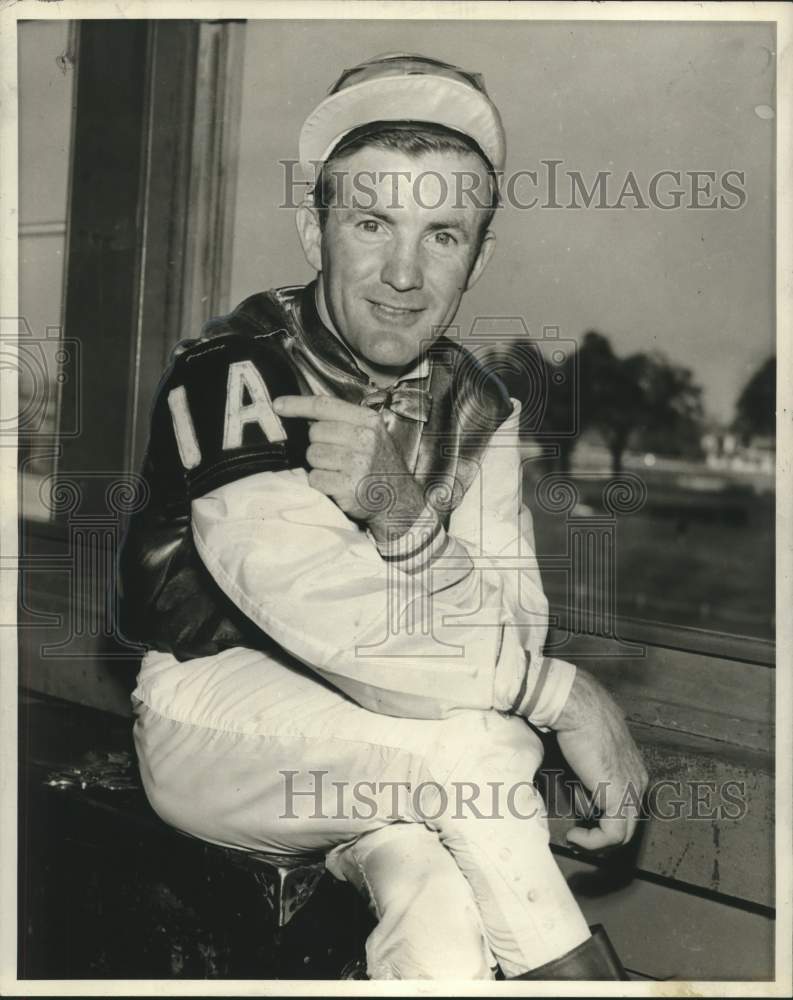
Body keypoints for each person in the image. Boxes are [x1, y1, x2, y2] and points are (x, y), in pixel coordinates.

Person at [119, 52, 647, 981]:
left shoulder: (477, 405)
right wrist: (562, 695)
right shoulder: (240, 369)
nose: (403, 274)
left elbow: (510, 625)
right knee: (483, 741)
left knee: (444, 922)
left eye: (443, 234)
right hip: (216, 717)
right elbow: (319, 607)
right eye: (372, 222)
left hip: (387, 751)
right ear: (315, 231)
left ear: (478, 257)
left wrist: (406, 518)